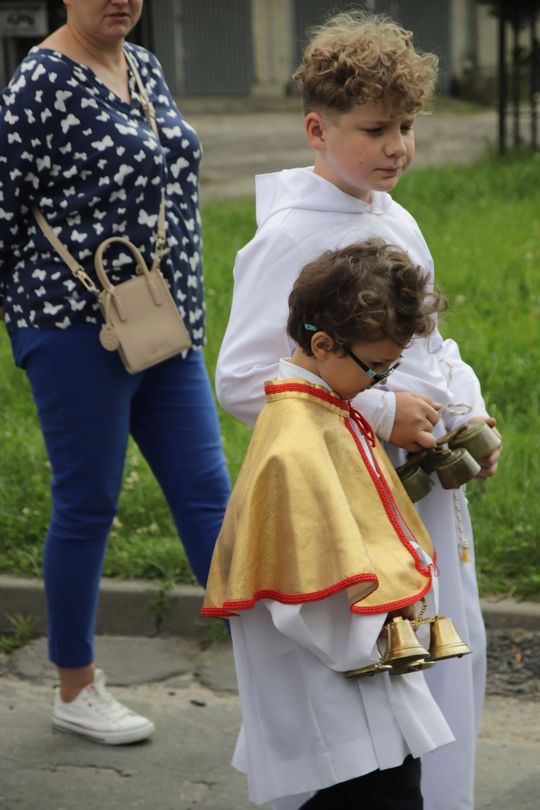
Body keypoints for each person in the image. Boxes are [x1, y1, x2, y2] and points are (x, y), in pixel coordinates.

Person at [215, 10, 502, 809]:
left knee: (448, 656)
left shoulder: (394, 216)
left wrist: (467, 413)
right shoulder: (286, 239)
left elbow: (430, 343)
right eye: (375, 129)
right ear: (317, 128)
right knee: (374, 679)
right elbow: (243, 379)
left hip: (418, 489)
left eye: (406, 126)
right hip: (345, 496)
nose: (396, 147)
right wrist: (379, 411)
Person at [0, 0, 230, 744]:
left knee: (209, 498)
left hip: (163, 324)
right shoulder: (39, 82)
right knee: (88, 504)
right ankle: (75, 686)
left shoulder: (145, 66)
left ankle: (275, 664)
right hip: (73, 329)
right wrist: (29, 319)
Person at [203, 239, 454, 809]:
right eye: (379, 367)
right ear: (322, 344)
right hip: (345, 666)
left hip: (361, 665)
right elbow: (305, 594)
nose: (384, 383)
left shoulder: (328, 408)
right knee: (382, 794)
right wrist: (375, 635)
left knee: (387, 787)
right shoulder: (294, 442)